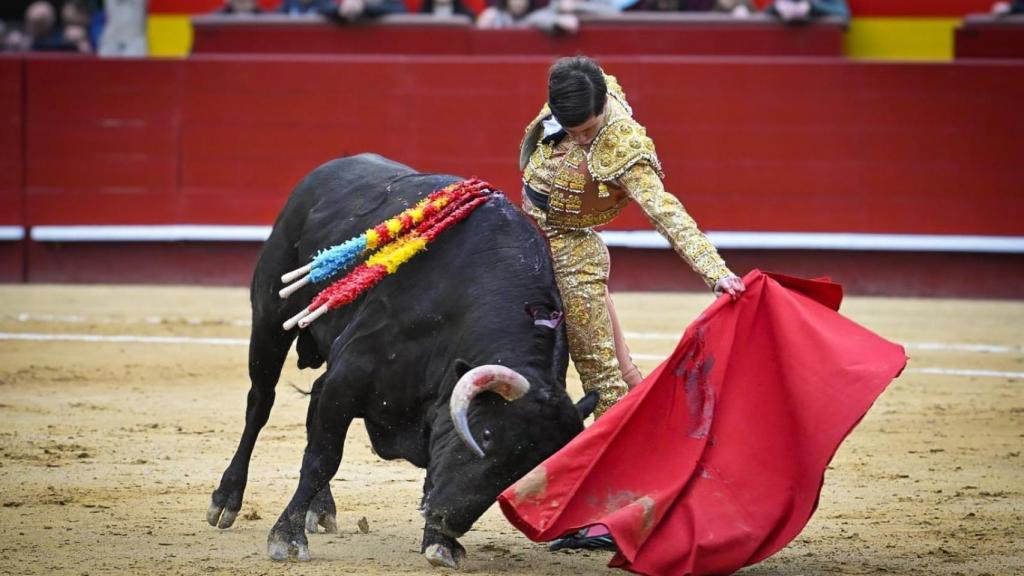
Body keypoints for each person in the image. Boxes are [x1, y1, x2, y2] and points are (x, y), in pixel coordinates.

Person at [519, 56, 745, 419]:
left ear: (602, 108)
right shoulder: (576, 88)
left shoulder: (623, 143)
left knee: (601, 376)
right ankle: (658, 423)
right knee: (621, 368)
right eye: (572, 130)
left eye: (589, 130)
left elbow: (664, 210)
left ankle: (619, 445)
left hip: (571, 251)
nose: (581, 140)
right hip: (528, 229)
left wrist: (715, 271)